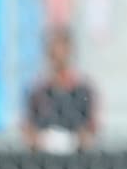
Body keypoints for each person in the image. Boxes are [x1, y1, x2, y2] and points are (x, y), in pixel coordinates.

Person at [23, 24, 98, 154]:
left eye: (62, 50)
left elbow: (91, 131)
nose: (58, 57)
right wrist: (43, 140)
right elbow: (28, 131)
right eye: (54, 52)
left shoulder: (83, 91)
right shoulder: (37, 92)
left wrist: (72, 141)